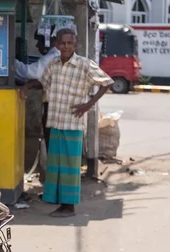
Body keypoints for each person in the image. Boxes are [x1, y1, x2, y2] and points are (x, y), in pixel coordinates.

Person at [21, 28, 113, 217]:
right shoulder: (53, 64)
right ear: (57, 45)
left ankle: (68, 207)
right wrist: (28, 86)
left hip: (73, 124)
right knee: (56, 165)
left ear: (75, 44)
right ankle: (57, 200)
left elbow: (107, 82)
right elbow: (43, 82)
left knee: (70, 168)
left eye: (70, 43)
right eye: (63, 43)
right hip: (56, 122)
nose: (66, 47)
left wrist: (88, 105)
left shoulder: (84, 65)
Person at [15, 32, 60, 149]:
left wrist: (9, 60)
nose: (37, 46)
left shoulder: (52, 57)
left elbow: (30, 73)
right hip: (53, 105)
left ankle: (54, 166)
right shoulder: (54, 56)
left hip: (54, 106)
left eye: (39, 42)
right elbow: (43, 80)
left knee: (52, 140)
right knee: (51, 139)